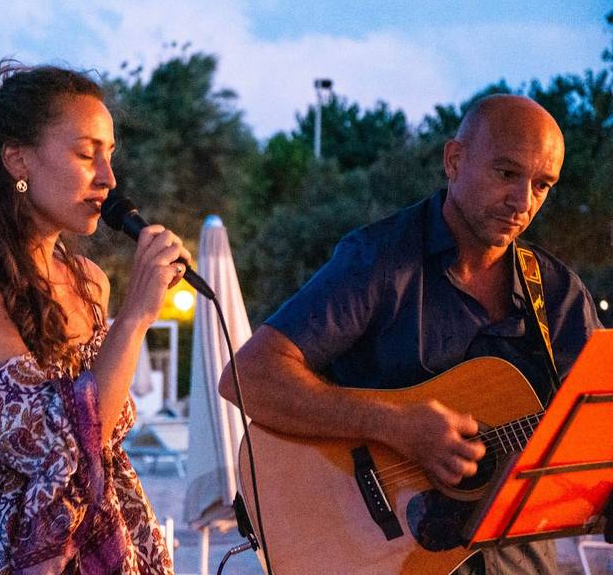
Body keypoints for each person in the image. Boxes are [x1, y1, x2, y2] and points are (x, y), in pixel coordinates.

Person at [219, 94, 602, 574]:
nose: (522, 201)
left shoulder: (559, 293)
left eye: (542, 185)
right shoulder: (379, 259)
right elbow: (246, 376)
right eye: (507, 174)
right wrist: (394, 425)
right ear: (454, 160)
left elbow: (595, 426)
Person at [0, 60, 184, 574]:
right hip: (15, 554)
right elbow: (60, 439)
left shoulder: (91, 283)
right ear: (18, 161)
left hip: (112, 543)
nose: (108, 178)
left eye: (110, 155)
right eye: (87, 154)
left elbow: (105, 427)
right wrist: (134, 319)